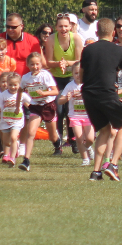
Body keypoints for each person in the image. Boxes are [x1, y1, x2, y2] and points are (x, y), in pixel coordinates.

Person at [80, 18, 122, 181]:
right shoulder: (118, 50)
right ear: (113, 33)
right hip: (108, 93)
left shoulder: (87, 50)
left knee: (104, 130)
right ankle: (113, 164)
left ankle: (96, 171)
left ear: (97, 33)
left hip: (89, 95)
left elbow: (81, 77)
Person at [47, 13, 84, 154]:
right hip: (56, 78)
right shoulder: (51, 39)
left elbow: (79, 60)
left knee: (71, 110)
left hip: (71, 78)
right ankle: (58, 143)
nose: (63, 29)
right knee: (58, 109)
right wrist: (58, 63)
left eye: (66, 26)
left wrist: (67, 63)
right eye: (60, 26)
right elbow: (48, 62)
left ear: (71, 27)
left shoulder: (76, 38)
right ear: (56, 27)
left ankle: (73, 140)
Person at [19, 52, 60, 171]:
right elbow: (20, 92)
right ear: (27, 65)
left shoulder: (45, 75)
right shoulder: (25, 78)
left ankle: (57, 143)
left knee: (52, 135)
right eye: (32, 64)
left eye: (37, 64)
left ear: (41, 64)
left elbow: (55, 91)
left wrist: (44, 93)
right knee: (31, 133)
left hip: (48, 105)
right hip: (35, 107)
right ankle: (26, 160)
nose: (35, 67)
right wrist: (20, 105)